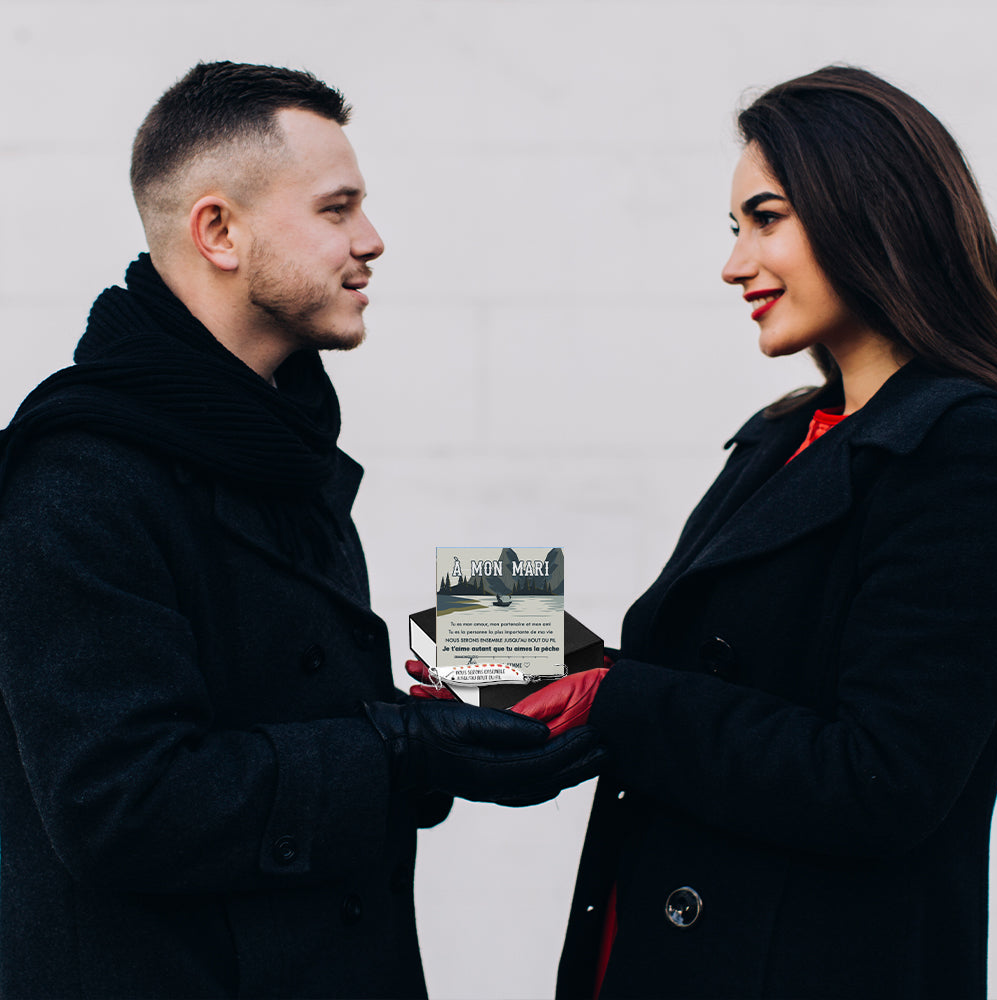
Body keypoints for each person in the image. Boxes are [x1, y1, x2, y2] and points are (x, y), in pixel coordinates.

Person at [0, 61, 603, 1000]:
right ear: (220, 231)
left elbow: (289, 689)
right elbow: (122, 806)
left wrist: (475, 696)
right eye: (337, 209)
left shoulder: (276, 438)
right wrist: (404, 750)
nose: (373, 240)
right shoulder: (79, 477)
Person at [513, 66, 997, 998]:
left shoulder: (964, 446)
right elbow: (698, 679)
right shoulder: (783, 435)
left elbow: (884, 778)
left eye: (766, 219)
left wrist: (613, 698)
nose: (735, 264)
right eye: (735, 228)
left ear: (872, 210)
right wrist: (532, 667)